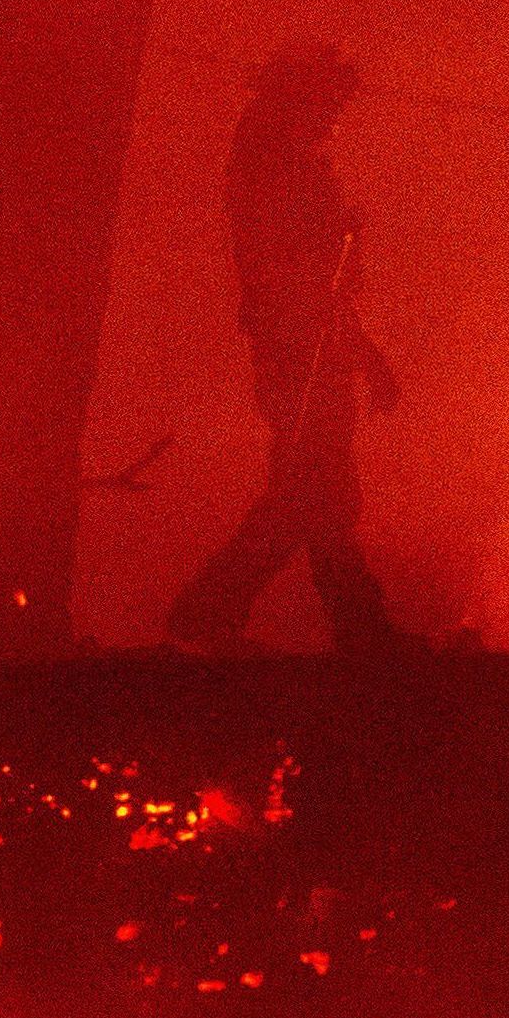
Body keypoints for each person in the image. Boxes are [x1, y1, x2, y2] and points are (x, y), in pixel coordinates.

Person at [166, 41, 406, 653]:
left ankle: (351, 627)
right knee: (312, 493)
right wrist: (356, 353)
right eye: (326, 102)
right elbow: (296, 280)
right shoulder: (275, 174)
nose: (333, 117)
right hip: (300, 353)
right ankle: (210, 610)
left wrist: (359, 352)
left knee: (316, 495)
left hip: (309, 348)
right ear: (298, 100)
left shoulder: (283, 167)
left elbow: (318, 279)